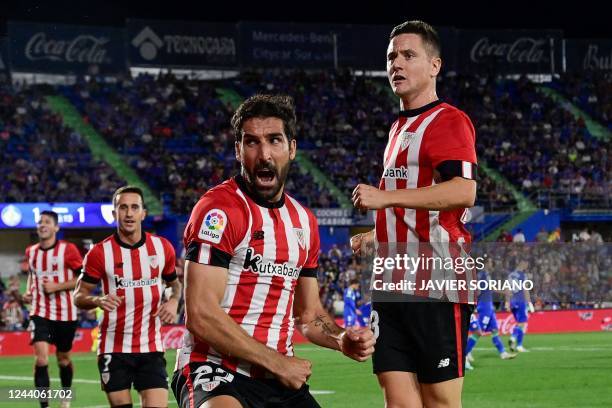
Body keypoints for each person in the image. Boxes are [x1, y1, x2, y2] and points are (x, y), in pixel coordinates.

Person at [172, 94, 375, 408]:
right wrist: (277, 362)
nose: (264, 154)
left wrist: (340, 338)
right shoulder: (219, 210)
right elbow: (200, 314)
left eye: (274, 141)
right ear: (239, 149)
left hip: (277, 378)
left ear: (291, 149)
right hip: (213, 368)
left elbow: (308, 315)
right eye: (252, 142)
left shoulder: (304, 222)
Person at [351, 21, 478, 408]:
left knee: (439, 400)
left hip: (436, 283)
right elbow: (414, 206)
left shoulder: (448, 120)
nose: (397, 64)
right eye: (391, 56)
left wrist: (385, 201)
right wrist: (378, 233)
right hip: (390, 283)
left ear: (434, 65)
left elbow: (463, 191)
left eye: (409, 55)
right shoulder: (397, 128)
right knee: (399, 401)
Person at [74, 186, 182, 408]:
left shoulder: (163, 248)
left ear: (143, 213)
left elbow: (175, 285)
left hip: (151, 347)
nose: (129, 213)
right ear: (114, 213)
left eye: (135, 207)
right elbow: (78, 296)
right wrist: (97, 300)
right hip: (113, 348)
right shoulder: (99, 253)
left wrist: (173, 301)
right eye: (123, 207)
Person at [23, 210, 83, 408]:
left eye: (47, 222)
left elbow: (82, 280)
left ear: (56, 227)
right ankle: (45, 405)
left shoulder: (68, 250)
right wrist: (29, 291)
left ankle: (65, 397)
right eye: (40, 222)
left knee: (63, 359)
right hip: (39, 312)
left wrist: (56, 287)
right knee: (41, 359)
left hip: (66, 315)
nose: (42, 224)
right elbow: (33, 274)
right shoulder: (31, 252)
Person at [464, 262, 516, 369]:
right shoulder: (481, 274)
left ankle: (502, 353)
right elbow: (476, 289)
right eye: (491, 262)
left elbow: (490, 288)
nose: (492, 264)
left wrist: (503, 292)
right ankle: (466, 353)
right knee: (478, 332)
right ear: (486, 263)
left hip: (489, 305)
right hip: (484, 306)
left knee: (494, 330)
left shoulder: (486, 275)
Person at [506, 260, 533, 353]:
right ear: (522, 264)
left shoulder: (510, 275)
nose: (527, 266)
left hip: (513, 301)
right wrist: (529, 302)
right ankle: (514, 340)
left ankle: (517, 345)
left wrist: (507, 302)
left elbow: (507, 289)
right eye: (526, 264)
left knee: (519, 323)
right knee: (522, 323)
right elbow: (525, 290)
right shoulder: (523, 275)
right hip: (520, 300)